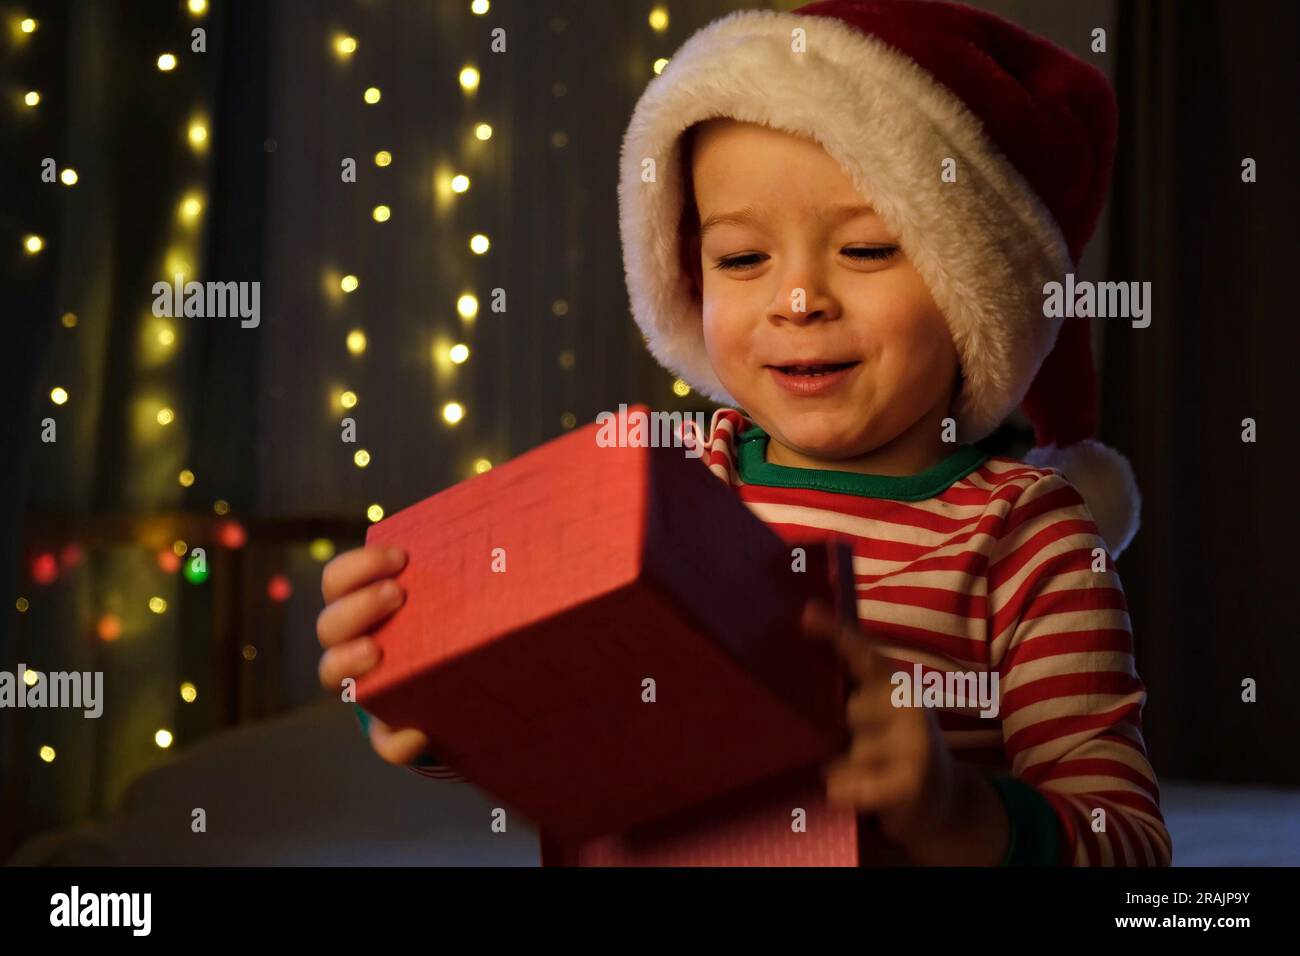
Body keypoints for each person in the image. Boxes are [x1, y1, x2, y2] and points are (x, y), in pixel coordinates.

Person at [317, 0, 1170, 866]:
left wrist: (956, 811)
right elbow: (547, 702)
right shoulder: (664, 480)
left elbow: (1131, 847)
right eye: (742, 259)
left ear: (976, 290)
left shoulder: (1032, 540)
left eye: (868, 249)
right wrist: (413, 676)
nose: (797, 301)